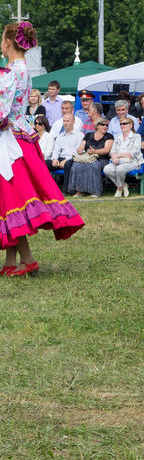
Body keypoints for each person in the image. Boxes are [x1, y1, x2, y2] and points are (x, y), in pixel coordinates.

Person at [0, 21, 84, 276]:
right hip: (20, 136)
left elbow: (1, 112)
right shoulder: (22, 68)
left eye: (2, 39)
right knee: (11, 200)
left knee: (10, 199)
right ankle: (12, 261)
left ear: (8, 42)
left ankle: (26, 259)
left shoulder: (11, 72)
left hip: (9, 140)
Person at [68, 117, 113, 197]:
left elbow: (107, 150)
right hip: (87, 157)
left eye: (107, 125)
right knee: (77, 165)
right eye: (102, 124)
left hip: (102, 159)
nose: (105, 126)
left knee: (93, 165)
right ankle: (79, 190)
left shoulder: (109, 136)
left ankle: (95, 191)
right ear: (97, 126)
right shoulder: (89, 135)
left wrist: (95, 151)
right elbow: (81, 147)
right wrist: (80, 150)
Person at [103, 116, 143, 197]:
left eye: (125, 123)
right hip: (118, 161)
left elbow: (133, 153)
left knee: (120, 169)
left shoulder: (137, 136)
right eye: (121, 124)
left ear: (131, 125)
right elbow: (112, 151)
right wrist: (114, 157)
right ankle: (122, 185)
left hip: (133, 161)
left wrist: (118, 155)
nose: (122, 125)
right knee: (107, 169)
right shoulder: (117, 137)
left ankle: (119, 189)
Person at [47, 113, 84, 193]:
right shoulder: (60, 136)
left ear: (73, 122)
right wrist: (54, 159)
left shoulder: (79, 135)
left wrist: (66, 160)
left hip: (73, 158)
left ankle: (66, 190)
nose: (65, 123)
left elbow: (77, 151)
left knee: (68, 164)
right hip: (60, 158)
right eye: (64, 121)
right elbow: (56, 150)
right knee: (44, 163)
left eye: (67, 121)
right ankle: (46, 189)